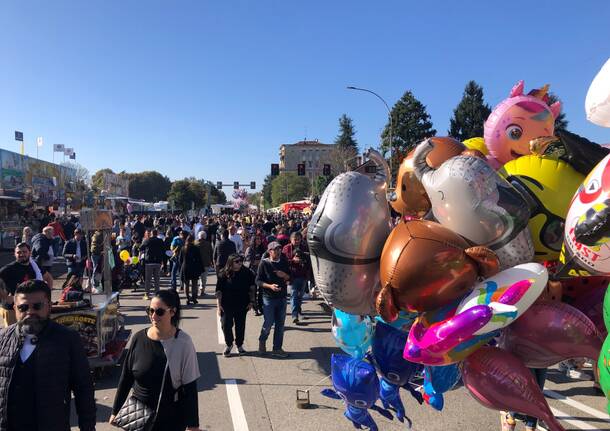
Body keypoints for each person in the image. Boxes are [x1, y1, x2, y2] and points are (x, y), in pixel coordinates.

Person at [0, 279, 96, 430]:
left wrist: (88, 427)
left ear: (49, 306)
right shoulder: (3, 338)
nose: (30, 312)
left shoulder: (67, 339)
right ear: (15, 308)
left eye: (37, 306)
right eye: (23, 307)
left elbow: (83, 388)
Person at [111, 290, 200, 431]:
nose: (153, 316)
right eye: (150, 310)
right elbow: (126, 378)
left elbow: (190, 387)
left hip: (170, 418)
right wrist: (115, 411)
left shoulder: (183, 342)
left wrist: (193, 425)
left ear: (172, 312)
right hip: (137, 415)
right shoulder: (139, 338)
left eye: (159, 312)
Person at [216, 254, 256, 357]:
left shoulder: (247, 272)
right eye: (237, 262)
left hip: (242, 304)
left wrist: (251, 301)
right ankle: (229, 344)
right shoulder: (223, 273)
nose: (240, 263)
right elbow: (219, 291)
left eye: (240, 261)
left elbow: (252, 287)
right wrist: (218, 305)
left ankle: (239, 345)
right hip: (226, 304)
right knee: (225, 324)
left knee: (240, 325)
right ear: (231, 263)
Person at [256, 241, 290, 358]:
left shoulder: (284, 262)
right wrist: (270, 286)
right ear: (269, 251)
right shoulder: (264, 263)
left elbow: (290, 277)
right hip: (269, 298)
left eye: (279, 249)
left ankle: (277, 348)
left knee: (280, 325)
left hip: (282, 297)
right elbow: (258, 281)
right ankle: (262, 340)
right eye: (275, 249)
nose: (278, 251)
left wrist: (284, 275)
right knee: (269, 322)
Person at [0, 243, 44, 327]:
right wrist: (5, 297)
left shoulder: (33, 267)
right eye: (19, 252)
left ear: (29, 253)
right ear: (14, 254)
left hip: (27, 307)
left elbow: (47, 277)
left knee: (25, 334)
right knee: (12, 335)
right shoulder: (9, 268)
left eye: (24, 252)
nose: (21, 254)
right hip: (11, 308)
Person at [140, 229, 167, 300]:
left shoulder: (147, 240)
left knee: (148, 279)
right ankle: (157, 294)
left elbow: (141, 248)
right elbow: (164, 250)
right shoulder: (160, 241)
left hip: (149, 261)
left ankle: (147, 294)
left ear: (151, 233)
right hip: (158, 261)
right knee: (156, 279)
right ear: (157, 233)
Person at [244, 236, 266, 315]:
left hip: (261, 273)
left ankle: (260, 307)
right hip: (252, 273)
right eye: (257, 239)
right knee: (253, 291)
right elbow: (249, 262)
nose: (259, 240)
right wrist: (260, 261)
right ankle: (255, 308)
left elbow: (265, 260)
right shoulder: (250, 249)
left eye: (260, 239)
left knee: (261, 292)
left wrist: (259, 261)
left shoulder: (262, 249)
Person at [287, 249, 309, 324]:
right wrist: (293, 260)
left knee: (300, 297)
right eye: (296, 255)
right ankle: (294, 316)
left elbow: (308, 267)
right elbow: (286, 263)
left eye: (299, 255)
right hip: (294, 280)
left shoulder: (305, 260)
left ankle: (298, 312)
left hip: (303, 279)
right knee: (294, 297)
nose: (298, 257)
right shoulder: (291, 261)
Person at [181, 235, 204, 305]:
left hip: (185, 267)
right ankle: (194, 298)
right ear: (193, 240)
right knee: (194, 284)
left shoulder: (183, 248)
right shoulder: (196, 248)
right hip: (194, 267)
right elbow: (199, 259)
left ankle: (187, 298)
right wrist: (201, 268)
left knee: (186, 284)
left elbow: (180, 260)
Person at [195, 231, 213, 297]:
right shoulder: (208, 244)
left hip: (196, 263)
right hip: (206, 263)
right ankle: (202, 292)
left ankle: (195, 292)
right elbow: (211, 253)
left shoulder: (195, 243)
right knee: (204, 278)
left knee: (196, 278)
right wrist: (212, 262)